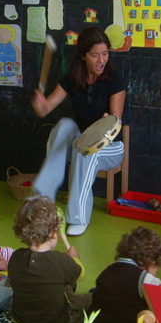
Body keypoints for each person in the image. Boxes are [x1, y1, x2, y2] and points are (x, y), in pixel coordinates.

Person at [30, 27, 127, 236]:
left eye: (105, 53)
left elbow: (115, 119)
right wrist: (40, 105)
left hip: (111, 147)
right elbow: (45, 109)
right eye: (95, 55)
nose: (101, 60)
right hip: (83, 143)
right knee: (65, 126)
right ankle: (44, 196)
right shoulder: (72, 79)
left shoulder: (115, 80)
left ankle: (78, 217)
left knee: (85, 152)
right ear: (83, 56)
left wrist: (107, 121)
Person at [8, 197, 91, 323]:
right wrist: (75, 258)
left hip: (20, 318)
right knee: (90, 299)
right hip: (57, 322)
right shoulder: (61, 261)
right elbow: (81, 273)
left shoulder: (15, 257)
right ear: (54, 233)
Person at [88, 227, 161, 323]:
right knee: (159, 313)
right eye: (156, 270)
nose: (155, 274)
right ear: (151, 263)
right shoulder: (146, 279)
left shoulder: (107, 270)